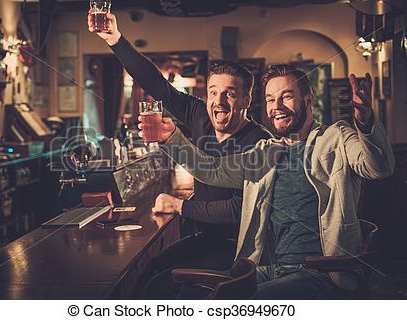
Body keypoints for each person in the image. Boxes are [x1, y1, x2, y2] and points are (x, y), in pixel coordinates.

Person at [139, 64, 395, 299]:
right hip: (269, 269)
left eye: (286, 96)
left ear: (308, 99)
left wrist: (365, 123)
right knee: (186, 295)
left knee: (230, 303)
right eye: (271, 99)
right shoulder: (265, 151)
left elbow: (379, 167)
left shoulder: (336, 137)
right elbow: (212, 169)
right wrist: (170, 138)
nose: (277, 106)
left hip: (322, 272)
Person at [88, 11, 272, 297]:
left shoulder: (260, 142)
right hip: (203, 237)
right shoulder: (199, 114)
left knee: (159, 286)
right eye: (213, 92)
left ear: (248, 100)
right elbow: (156, 84)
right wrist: (115, 39)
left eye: (230, 93)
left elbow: (238, 209)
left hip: (238, 249)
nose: (219, 101)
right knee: (149, 270)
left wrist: (180, 206)